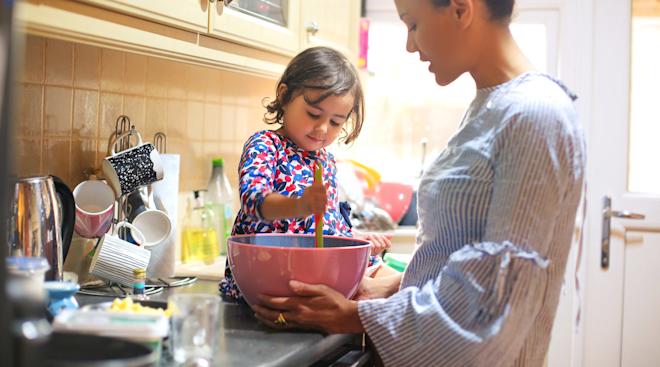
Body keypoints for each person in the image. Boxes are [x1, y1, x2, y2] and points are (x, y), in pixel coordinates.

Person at [252, 1, 587, 366]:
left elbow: (492, 306)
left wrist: (351, 315)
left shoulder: (534, 114)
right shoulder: (492, 105)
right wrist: (394, 285)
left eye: (413, 24)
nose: (411, 45)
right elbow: (465, 251)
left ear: (460, 9)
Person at [220, 46, 392, 300]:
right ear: (285, 96)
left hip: (316, 272)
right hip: (270, 274)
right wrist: (299, 205)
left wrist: (352, 238)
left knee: (406, 284)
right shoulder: (267, 144)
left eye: (336, 122)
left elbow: (319, 226)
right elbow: (252, 201)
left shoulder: (325, 160)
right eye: (313, 114)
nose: (323, 129)